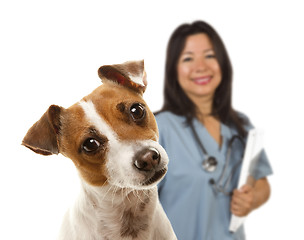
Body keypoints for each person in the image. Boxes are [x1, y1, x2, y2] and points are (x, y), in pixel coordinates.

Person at [155, 20, 273, 240]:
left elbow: (262, 183)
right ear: (174, 69)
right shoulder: (158, 128)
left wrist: (252, 198)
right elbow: (135, 203)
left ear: (222, 63)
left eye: (210, 56)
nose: (201, 66)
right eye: (188, 58)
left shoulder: (240, 125)